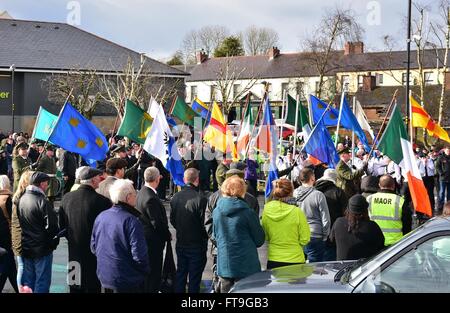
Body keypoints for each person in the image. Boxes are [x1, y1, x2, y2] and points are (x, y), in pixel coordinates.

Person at [59, 166, 112, 293]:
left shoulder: (66, 198)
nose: (100, 180)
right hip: (94, 254)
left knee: (75, 285)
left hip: (74, 252)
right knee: (92, 286)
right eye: (98, 178)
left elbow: (62, 227)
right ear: (93, 181)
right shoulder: (102, 201)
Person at [91, 179, 149, 293]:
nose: (136, 197)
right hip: (126, 279)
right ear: (128, 197)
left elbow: (94, 247)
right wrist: (145, 271)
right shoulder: (131, 221)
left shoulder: (101, 216)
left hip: (105, 276)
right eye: (134, 194)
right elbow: (139, 255)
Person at [212, 176, 265, 293]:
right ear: (242, 191)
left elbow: (214, 236)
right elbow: (259, 239)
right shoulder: (248, 213)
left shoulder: (217, 211)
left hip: (225, 265)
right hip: (247, 266)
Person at [17, 172, 59, 293]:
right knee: (42, 282)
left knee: (29, 282)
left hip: (27, 246)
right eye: (46, 183)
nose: (47, 186)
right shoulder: (42, 201)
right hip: (42, 248)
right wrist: (53, 243)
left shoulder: (22, 198)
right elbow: (52, 227)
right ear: (41, 184)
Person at [169, 168, 208, 293]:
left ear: (185, 180)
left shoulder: (175, 197)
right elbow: (205, 223)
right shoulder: (201, 199)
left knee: (181, 274)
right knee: (194, 279)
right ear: (197, 180)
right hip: (197, 244)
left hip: (181, 241)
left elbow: (173, 219)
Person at [136, 166, 171, 293]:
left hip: (146, 240)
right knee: (154, 272)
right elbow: (157, 222)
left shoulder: (141, 192)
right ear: (157, 179)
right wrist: (167, 235)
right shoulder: (150, 198)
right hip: (152, 242)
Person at [262, 178, 310, 269]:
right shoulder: (297, 212)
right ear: (291, 192)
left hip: (274, 258)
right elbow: (305, 238)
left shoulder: (266, 210)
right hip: (295, 259)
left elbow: (266, 236)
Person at [330, 194, 385, 261]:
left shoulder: (338, 222)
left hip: (342, 268)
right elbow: (380, 247)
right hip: (364, 269)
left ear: (348, 209)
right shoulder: (373, 227)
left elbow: (331, 241)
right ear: (366, 210)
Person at [294, 167, 331, 262]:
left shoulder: (294, 194)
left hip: (298, 233)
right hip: (315, 235)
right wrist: (325, 235)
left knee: (299, 266)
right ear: (312, 178)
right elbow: (325, 218)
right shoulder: (318, 195)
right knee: (315, 268)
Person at [366, 175, 412, 246]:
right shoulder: (400, 201)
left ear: (379, 185)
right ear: (393, 186)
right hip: (396, 244)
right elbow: (407, 225)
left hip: (375, 242)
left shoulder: (369, 199)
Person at [314, 168, 348, 261]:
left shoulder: (313, 191)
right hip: (332, 233)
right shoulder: (338, 192)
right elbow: (346, 213)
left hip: (314, 231)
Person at [10, 170, 33, 291]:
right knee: (23, 266)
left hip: (18, 236)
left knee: (23, 266)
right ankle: (21, 289)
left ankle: (22, 289)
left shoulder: (18, 195)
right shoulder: (21, 197)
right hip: (21, 237)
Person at [0, 175, 19, 293]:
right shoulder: (9, 198)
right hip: (7, 233)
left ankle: (18, 288)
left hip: (2, 235)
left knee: (9, 264)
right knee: (7, 263)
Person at [436, 146, 450, 211]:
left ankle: (448, 206)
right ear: (444, 151)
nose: (448, 152)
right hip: (443, 178)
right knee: (442, 192)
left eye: (449, 151)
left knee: (449, 193)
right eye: (447, 151)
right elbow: (437, 166)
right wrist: (441, 173)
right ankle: (440, 206)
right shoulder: (441, 157)